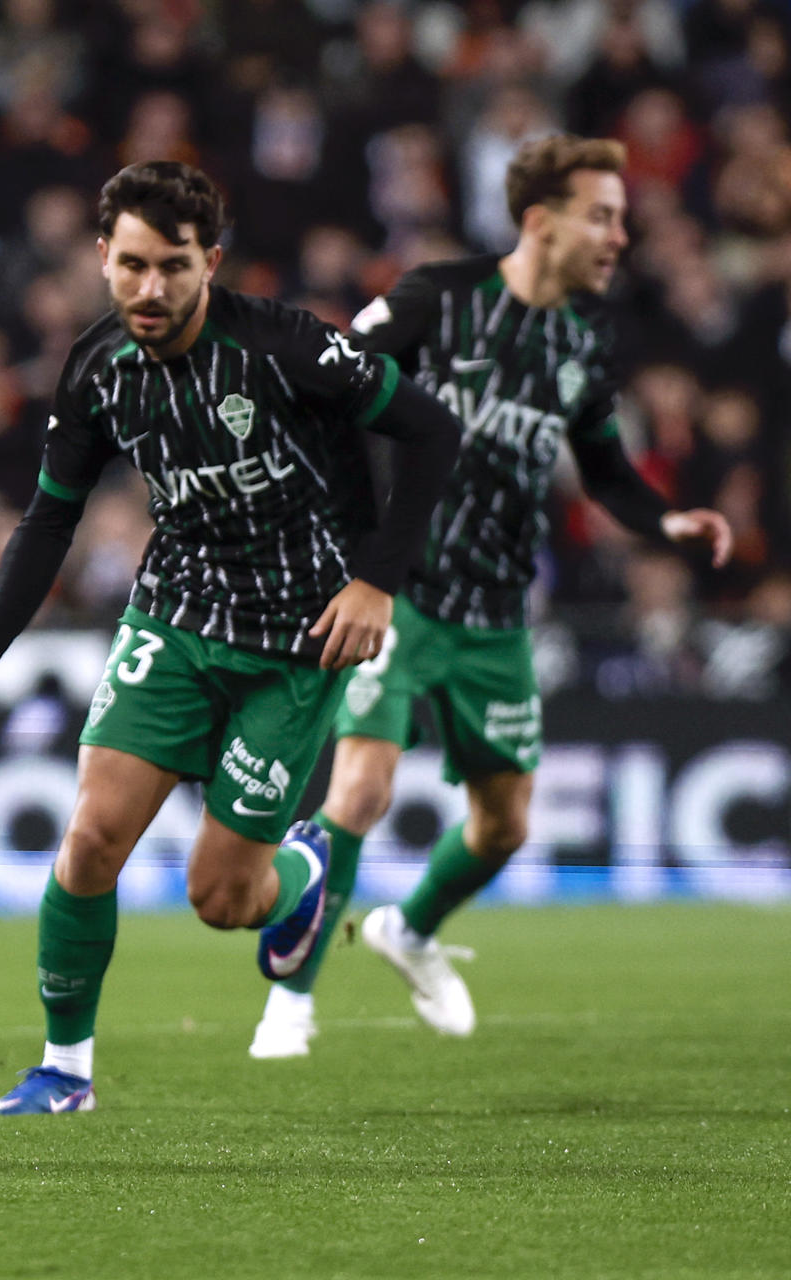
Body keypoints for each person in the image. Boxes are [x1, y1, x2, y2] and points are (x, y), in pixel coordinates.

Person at [0, 161, 463, 1115]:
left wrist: (377, 581)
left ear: (211, 261)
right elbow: (50, 520)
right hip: (175, 617)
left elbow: (432, 432)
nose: (149, 290)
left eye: (172, 267)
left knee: (223, 899)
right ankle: (66, 1072)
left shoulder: (289, 349)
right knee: (89, 839)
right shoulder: (97, 369)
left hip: (300, 640)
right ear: (103, 258)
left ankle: (304, 868)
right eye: (130, 266)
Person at [246, 136, 732, 1060]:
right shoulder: (439, 296)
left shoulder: (583, 342)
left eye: (623, 218)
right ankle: (292, 999)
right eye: (604, 215)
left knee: (504, 825)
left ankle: (410, 931)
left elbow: (606, 472)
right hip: (403, 592)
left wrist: (663, 522)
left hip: (500, 613)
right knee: (362, 785)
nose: (620, 234)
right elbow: (339, 372)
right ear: (541, 221)